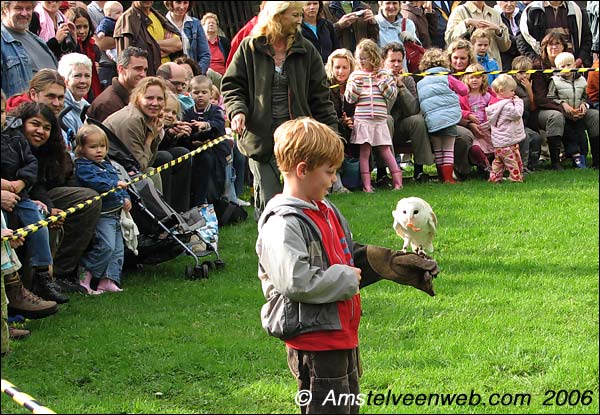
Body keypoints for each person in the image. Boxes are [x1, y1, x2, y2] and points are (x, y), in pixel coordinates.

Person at [257, 117, 440, 413]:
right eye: (328, 172)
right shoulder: (282, 223)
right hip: (315, 342)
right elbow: (295, 280)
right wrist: (344, 279)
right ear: (302, 170)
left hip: (340, 333)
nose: (332, 180)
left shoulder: (325, 209)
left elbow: (342, 255)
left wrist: (387, 262)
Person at [222, 1, 339, 219]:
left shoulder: (307, 51)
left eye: (300, 15)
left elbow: (321, 98)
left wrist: (331, 134)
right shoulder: (249, 48)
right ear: (277, 15)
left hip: (298, 141)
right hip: (261, 139)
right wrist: (237, 111)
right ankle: (269, 249)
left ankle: (306, 246)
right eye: (294, 15)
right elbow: (232, 85)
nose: (299, 19)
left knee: (305, 200)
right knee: (270, 202)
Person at [2, 102, 67, 304]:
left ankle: (43, 274)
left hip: (22, 193)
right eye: (35, 124)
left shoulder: (15, 137)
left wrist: (20, 183)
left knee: (40, 221)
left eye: (1, 111)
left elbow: (32, 167)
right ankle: (13, 293)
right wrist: (5, 186)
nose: (40, 131)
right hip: (6, 196)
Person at [74, 124, 131, 293]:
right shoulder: (83, 166)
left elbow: (120, 185)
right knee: (105, 246)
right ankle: (85, 275)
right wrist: (114, 185)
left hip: (116, 213)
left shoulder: (107, 165)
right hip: (102, 214)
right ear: (81, 148)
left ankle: (108, 279)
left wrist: (125, 198)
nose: (99, 151)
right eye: (93, 147)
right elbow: (95, 182)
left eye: (102, 146)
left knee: (118, 250)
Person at [530, 31, 599, 170]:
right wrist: (563, 107)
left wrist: (584, 105)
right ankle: (556, 162)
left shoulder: (575, 70)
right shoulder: (538, 66)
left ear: (563, 47)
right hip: (547, 109)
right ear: (544, 47)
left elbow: (587, 94)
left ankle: (596, 160)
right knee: (557, 117)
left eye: (557, 44)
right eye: (550, 44)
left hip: (576, 108)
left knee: (595, 115)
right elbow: (541, 98)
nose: (554, 47)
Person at [345, 38, 400, 193]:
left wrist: (381, 82)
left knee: (385, 149)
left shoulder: (385, 74)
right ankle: (367, 185)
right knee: (365, 152)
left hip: (379, 119)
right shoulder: (355, 76)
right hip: (363, 120)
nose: (361, 61)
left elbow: (392, 95)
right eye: (359, 58)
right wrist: (356, 87)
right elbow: (350, 99)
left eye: (364, 58)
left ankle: (398, 182)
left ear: (373, 57)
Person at [382, 41, 433, 183]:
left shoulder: (408, 79)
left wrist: (401, 86)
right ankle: (383, 173)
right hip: (382, 126)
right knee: (386, 119)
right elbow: (384, 110)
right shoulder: (378, 79)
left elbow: (413, 109)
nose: (397, 65)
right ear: (383, 62)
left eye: (400, 61)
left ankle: (419, 171)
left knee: (418, 120)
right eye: (392, 61)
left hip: (402, 127)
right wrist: (391, 85)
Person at [103, 76, 167, 188]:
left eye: (160, 99)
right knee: (151, 174)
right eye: (149, 98)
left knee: (159, 164)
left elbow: (149, 161)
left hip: (124, 169)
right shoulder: (132, 120)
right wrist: (151, 138)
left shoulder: (147, 118)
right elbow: (139, 166)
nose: (155, 103)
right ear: (138, 98)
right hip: (108, 174)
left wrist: (157, 134)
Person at [417, 47, 468, 183]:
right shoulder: (447, 77)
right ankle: (448, 178)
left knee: (438, 149)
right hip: (449, 118)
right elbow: (464, 90)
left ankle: (441, 176)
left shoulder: (421, 82)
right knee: (448, 149)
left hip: (432, 120)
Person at [181, 75, 229, 206]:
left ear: (210, 93)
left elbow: (219, 124)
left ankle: (217, 198)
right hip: (195, 150)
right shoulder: (188, 113)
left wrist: (206, 125)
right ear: (190, 93)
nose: (200, 96)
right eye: (196, 92)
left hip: (216, 151)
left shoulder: (216, 110)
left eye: (204, 92)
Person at [1, 0, 58, 97]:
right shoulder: (3, 42)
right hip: (22, 110)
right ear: (4, 10)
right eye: (18, 8)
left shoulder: (38, 41)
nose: (24, 13)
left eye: (28, 9)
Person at [114, 1, 182, 76]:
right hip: (145, 81)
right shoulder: (127, 20)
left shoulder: (158, 16)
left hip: (168, 77)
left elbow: (178, 44)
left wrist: (151, 46)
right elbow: (127, 60)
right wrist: (165, 46)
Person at [518, 1, 592, 69]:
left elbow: (586, 39)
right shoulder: (533, 10)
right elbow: (521, 41)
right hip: (543, 70)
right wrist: (536, 60)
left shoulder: (576, 10)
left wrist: (579, 60)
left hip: (571, 68)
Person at [547, 51, 590, 168]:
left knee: (582, 136)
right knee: (570, 136)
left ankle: (583, 157)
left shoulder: (582, 80)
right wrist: (563, 104)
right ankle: (575, 158)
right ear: (557, 68)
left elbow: (586, 96)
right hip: (565, 115)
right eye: (563, 66)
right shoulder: (554, 81)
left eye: (569, 65)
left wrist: (583, 104)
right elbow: (551, 98)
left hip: (579, 115)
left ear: (574, 65)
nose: (566, 68)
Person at [86, 46, 149, 122]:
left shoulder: (131, 97)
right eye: (137, 69)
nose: (143, 74)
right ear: (121, 69)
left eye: (145, 70)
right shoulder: (108, 104)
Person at [486, 74, 525, 182]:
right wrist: (519, 102)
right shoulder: (506, 106)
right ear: (502, 91)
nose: (514, 93)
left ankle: (494, 177)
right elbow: (517, 114)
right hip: (507, 141)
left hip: (499, 141)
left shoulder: (493, 104)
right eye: (512, 90)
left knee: (498, 161)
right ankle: (516, 177)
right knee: (511, 161)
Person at [460, 63, 494, 175]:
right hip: (471, 129)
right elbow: (458, 110)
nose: (474, 80)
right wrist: (468, 114)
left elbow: (494, 107)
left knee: (491, 147)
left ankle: (492, 168)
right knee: (475, 148)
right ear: (466, 79)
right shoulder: (463, 96)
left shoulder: (486, 95)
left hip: (485, 128)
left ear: (483, 79)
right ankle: (486, 167)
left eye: (478, 77)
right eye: (471, 77)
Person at [511, 55, 542, 171]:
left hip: (525, 122)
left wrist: (529, 89)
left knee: (537, 138)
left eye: (527, 72)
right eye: (520, 72)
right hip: (514, 124)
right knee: (526, 137)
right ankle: (521, 167)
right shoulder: (512, 85)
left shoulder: (530, 84)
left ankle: (532, 165)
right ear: (514, 72)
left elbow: (533, 107)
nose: (524, 76)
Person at [56, 52, 93, 153]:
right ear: (64, 80)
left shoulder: (83, 105)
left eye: (87, 76)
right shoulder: (63, 111)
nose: (83, 81)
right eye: (77, 76)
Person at [164, 0, 211, 75]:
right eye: (178, 2)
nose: (182, 7)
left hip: (195, 74)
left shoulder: (195, 23)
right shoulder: (162, 24)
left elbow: (205, 55)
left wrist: (196, 73)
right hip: (172, 75)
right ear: (170, 3)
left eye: (185, 2)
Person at [201, 12, 230, 88]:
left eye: (213, 23)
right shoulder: (199, 43)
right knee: (209, 72)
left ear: (217, 27)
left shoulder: (224, 42)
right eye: (208, 23)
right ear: (202, 27)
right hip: (205, 76)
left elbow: (230, 60)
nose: (211, 24)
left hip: (223, 77)